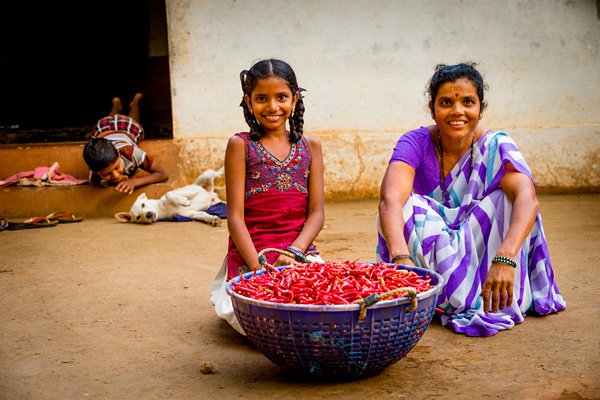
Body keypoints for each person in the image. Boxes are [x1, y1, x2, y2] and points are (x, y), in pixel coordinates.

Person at [377, 63, 566, 337]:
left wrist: (505, 259)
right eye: (446, 103)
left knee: (509, 199)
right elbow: (389, 201)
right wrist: (401, 259)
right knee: (405, 206)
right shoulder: (414, 142)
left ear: (481, 107)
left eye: (467, 102)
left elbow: (528, 197)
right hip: (429, 248)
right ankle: (434, 295)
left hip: (479, 244)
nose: (457, 111)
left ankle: (493, 295)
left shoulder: (495, 145)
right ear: (432, 108)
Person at [210, 59, 325, 334]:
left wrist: (295, 253)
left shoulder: (311, 146)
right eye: (262, 98)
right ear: (248, 102)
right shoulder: (240, 146)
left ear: (294, 99)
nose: (272, 107)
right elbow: (235, 218)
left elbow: (317, 214)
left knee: (323, 307)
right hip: (253, 256)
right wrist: (259, 270)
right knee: (266, 320)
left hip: (299, 253)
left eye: (281, 97)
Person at [82, 93, 169, 194]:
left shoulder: (131, 152)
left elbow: (163, 174)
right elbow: (96, 184)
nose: (115, 175)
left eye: (117, 167)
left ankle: (135, 105)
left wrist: (133, 182)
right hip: (104, 129)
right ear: (96, 172)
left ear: (119, 154)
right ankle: (116, 106)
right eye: (106, 174)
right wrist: (116, 180)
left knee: (133, 119)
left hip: (125, 129)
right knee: (111, 119)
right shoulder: (95, 173)